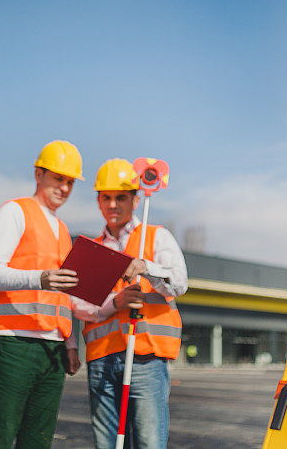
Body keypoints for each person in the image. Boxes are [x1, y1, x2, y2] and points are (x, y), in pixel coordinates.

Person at [0, 139, 91, 449]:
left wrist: (70, 343)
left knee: (38, 440)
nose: (65, 188)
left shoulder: (64, 230)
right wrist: (40, 278)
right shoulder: (15, 212)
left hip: (53, 350)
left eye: (70, 182)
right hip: (14, 343)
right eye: (58, 178)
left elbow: (64, 293)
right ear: (38, 175)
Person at [81, 158, 188, 449]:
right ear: (98, 200)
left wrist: (146, 266)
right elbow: (79, 304)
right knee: (107, 445)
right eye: (106, 198)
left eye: (121, 197)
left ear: (136, 199)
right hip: (102, 359)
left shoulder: (156, 237)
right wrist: (115, 302)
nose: (113, 205)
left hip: (144, 358)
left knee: (148, 443)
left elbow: (179, 283)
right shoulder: (92, 249)